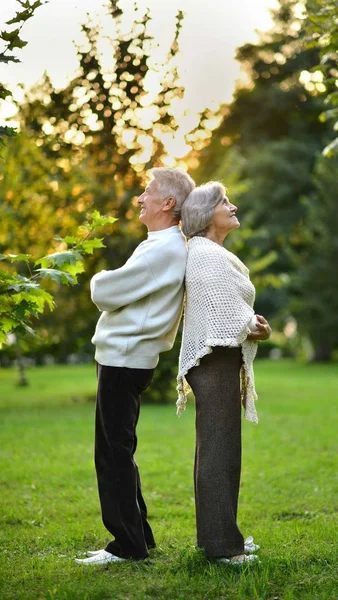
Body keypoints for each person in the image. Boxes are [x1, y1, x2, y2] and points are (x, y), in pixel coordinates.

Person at [76, 167, 195, 566]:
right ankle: (138, 534)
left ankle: (127, 545)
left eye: (148, 191)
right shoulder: (161, 245)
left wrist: (99, 277)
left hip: (124, 359)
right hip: (125, 357)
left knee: (112, 455)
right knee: (118, 450)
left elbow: (105, 292)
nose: (140, 198)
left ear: (168, 203)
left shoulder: (164, 249)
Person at [177, 181, 271, 566]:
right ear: (205, 213)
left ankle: (220, 537)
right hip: (214, 362)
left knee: (220, 452)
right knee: (219, 454)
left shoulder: (211, 252)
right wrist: (252, 325)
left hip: (219, 360)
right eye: (224, 202)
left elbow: (228, 306)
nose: (232, 207)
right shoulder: (204, 254)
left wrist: (251, 323)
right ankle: (221, 548)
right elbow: (220, 309)